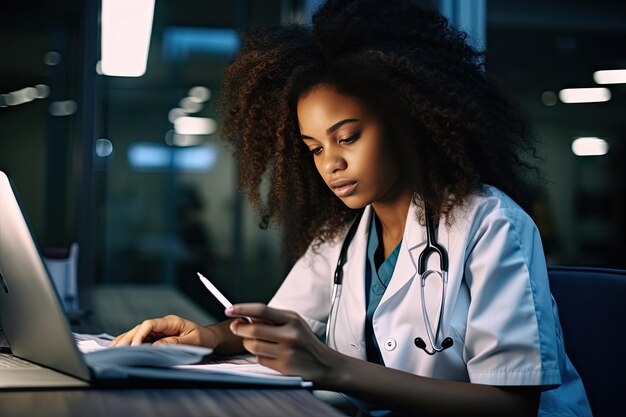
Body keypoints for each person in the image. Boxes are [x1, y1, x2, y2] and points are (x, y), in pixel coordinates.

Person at [112, 1, 592, 415]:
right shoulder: (342, 237)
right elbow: (275, 326)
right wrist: (205, 337)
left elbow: (510, 406)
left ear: (407, 120)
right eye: (315, 148)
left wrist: (332, 368)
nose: (331, 164)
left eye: (347, 137)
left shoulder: (489, 223)